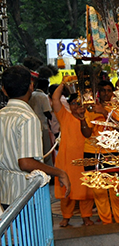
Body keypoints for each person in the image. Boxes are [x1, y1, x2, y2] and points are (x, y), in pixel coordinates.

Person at [0, 66, 70, 209]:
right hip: (24, 192)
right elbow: (26, 163)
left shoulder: (2, 114)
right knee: (31, 231)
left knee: (15, 231)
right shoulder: (27, 118)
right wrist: (60, 172)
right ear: (31, 86)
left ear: (4, 90)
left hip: (5, 189)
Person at [83, 79, 119, 224]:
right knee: (99, 190)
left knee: (116, 190)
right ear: (98, 93)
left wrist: (104, 112)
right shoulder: (90, 109)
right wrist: (81, 119)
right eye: (103, 91)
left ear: (113, 93)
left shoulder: (118, 108)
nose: (106, 94)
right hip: (92, 152)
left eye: (109, 91)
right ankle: (105, 221)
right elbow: (87, 133)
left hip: (113, 152)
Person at [52, 83, 95, 226]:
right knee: (67, 191)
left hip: (84, 159)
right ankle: (66, 216)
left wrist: (85, 83)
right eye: (74, 104)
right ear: (69, 106)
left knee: (86, 190)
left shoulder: (89, 117)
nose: (77, 107)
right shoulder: (65, 116)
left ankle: (86, 216)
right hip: (67, 161)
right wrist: (63, 84)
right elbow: (55, 99)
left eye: (79, 104)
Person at [30, 77, 54, 166]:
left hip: (32, 126)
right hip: (42, 126)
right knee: (46, 149)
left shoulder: (31, 94)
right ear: (46, 87)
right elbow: (47, 111)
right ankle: (48, 170)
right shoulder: (43, 96)